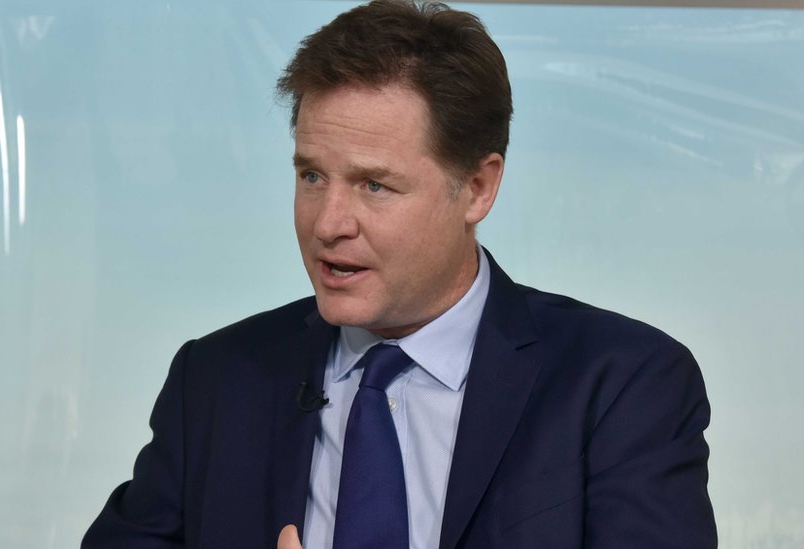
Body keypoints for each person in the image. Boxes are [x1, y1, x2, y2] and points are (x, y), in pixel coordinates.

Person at [82, 1, 717, 547]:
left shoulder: (623, 385)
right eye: (311, 175)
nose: (328, 222)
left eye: (374, 185)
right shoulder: (217, 381)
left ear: (477, 187)